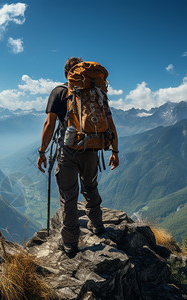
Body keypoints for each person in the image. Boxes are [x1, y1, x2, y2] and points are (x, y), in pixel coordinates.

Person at [37, 57, 119, 254]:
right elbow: (110, 123)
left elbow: (50, 124)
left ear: (67, 74)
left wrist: (41, 151)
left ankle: (71, 243)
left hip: (68, 151)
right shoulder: (96, 92)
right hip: (92, 149)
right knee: (90, 187)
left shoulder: (59, 91)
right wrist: (115, 151)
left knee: (68, 195)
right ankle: (98, 225)